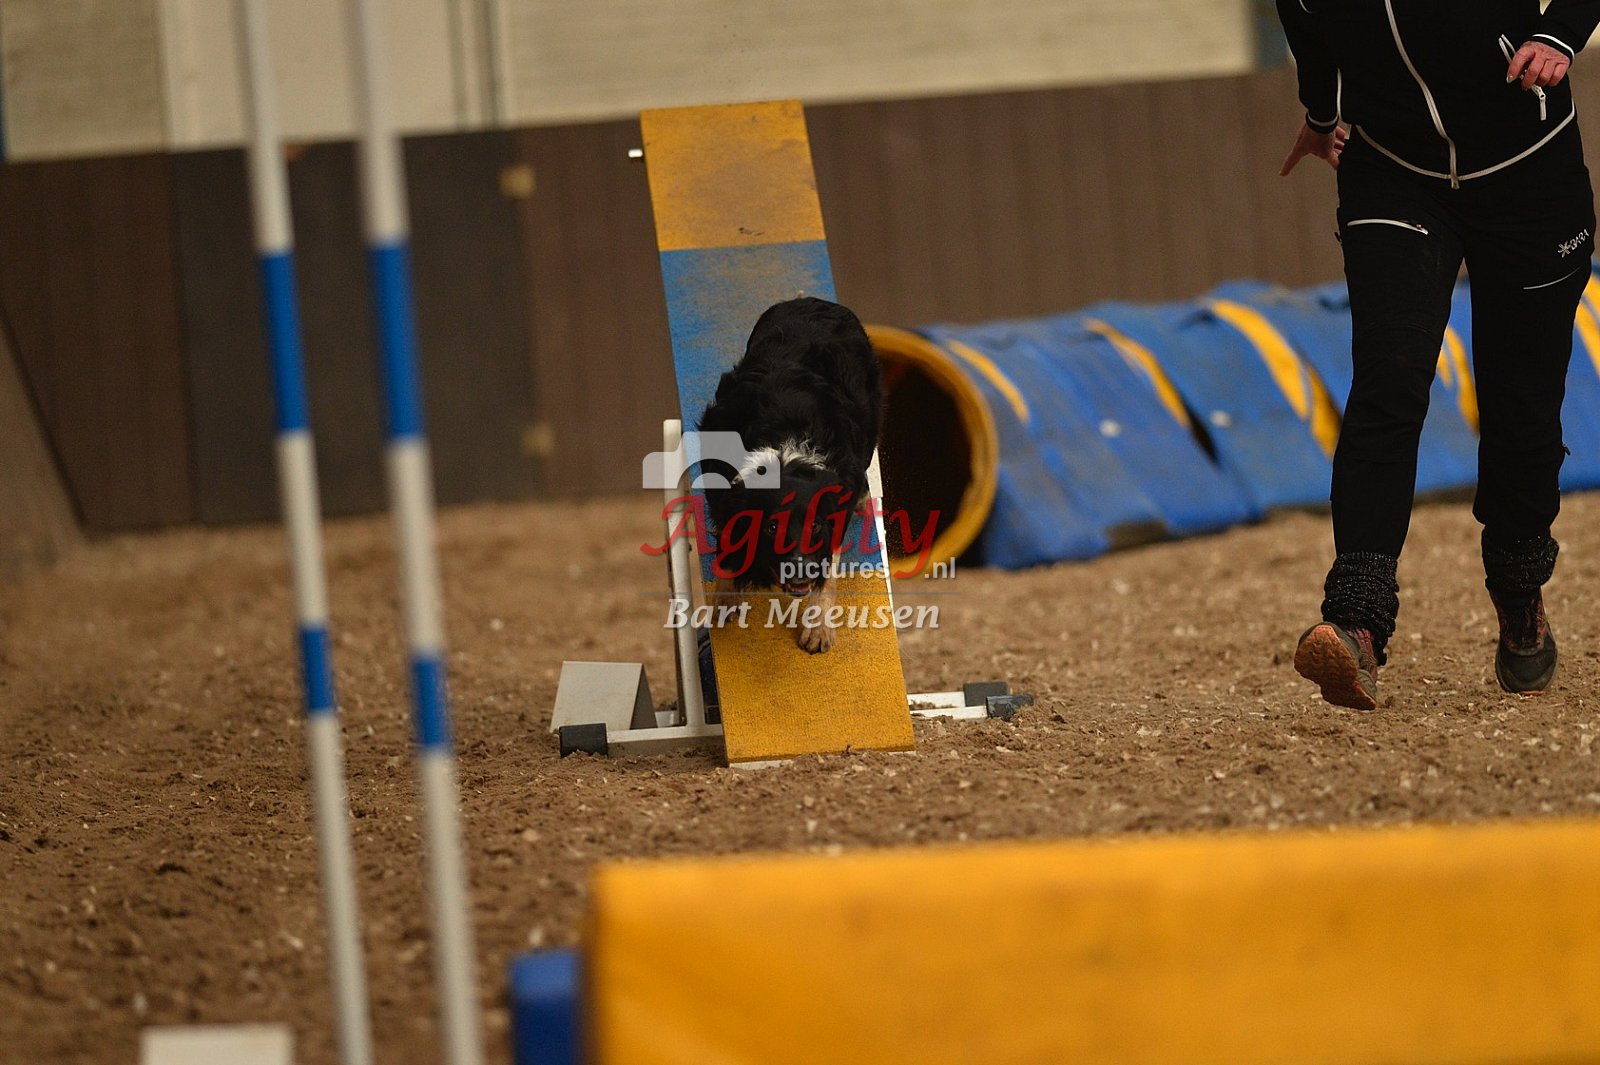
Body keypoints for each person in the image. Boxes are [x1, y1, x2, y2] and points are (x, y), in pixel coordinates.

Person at [1276, 1, 1600, 711]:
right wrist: (1322, 115)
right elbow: (1307, 25)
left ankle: (1518, 588)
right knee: (1388, 376)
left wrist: (1562, 33)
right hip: (1394, 173)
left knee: (1521, 408)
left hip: (1527, 168)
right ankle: (1356, 622)